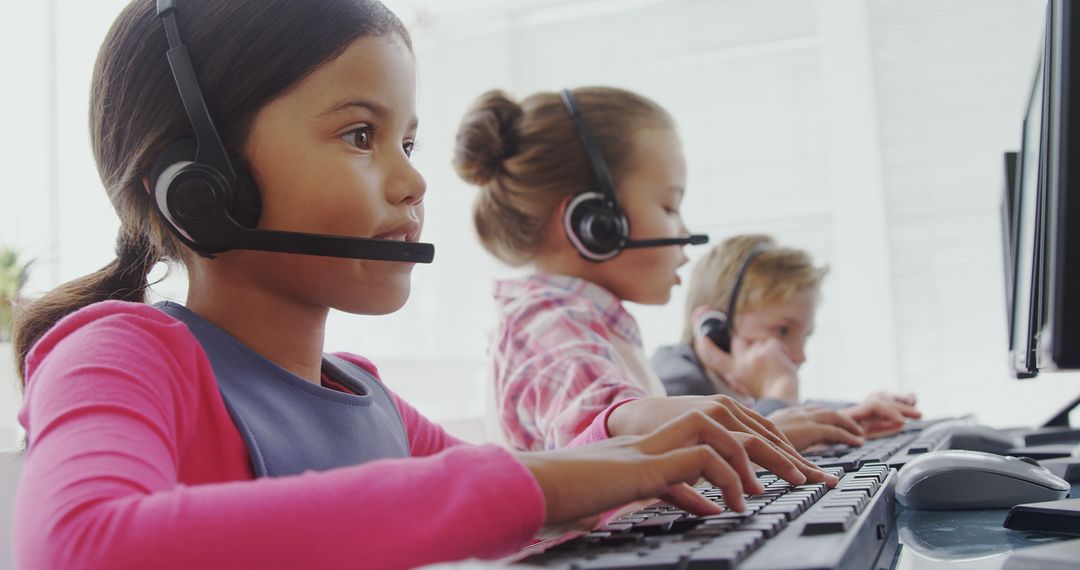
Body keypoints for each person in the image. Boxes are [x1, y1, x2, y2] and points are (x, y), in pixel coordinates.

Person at [10, 2, 835, 569]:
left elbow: (546, 494)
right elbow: (84, 547)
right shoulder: (121, 353)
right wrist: (552, 479)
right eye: (362, 134)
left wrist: (700, 446)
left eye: (408, 138)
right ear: (201, 183)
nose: (413, 181)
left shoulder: (370, 400)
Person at [452, 88, 839, 479]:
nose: (685, 233)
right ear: (594, 222)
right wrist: (765, 431)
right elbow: (616, 456)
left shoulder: (582, 322)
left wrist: (807, 424)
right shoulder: (550, 326)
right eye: (669, 207)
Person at [652, 234, 922, 450]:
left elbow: (790, 417)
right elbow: (743, 453)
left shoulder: (731, 385)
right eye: (782, 331)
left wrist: (852, 412)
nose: (799, 355)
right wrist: (778, 390)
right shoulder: (670, 391)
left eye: (806, 336)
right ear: (713, 330)